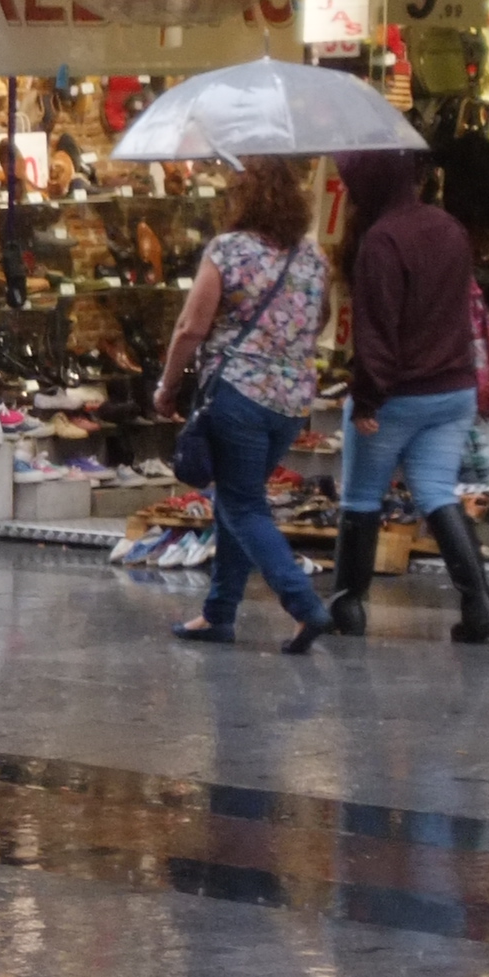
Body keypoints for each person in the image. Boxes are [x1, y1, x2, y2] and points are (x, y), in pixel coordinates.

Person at [149, 156, 332, 651]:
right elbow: (319, 321)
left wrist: (167, 387)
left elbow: (191, 327)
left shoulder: (228, 251)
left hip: (238, 394)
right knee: (238, 496)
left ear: (242, 199)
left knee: (241, 502)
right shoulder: (313, 258)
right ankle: (219, 614)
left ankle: (304, 603)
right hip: (291, 403)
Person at [331, 151, 489, 643]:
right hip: (453, 389)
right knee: (435, 493)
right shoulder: (448, 227)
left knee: (362, 497)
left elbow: (378, 333)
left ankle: (349, 606)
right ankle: (480, 603)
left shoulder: (381, 240)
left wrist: (366, 399)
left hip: (398, 396)